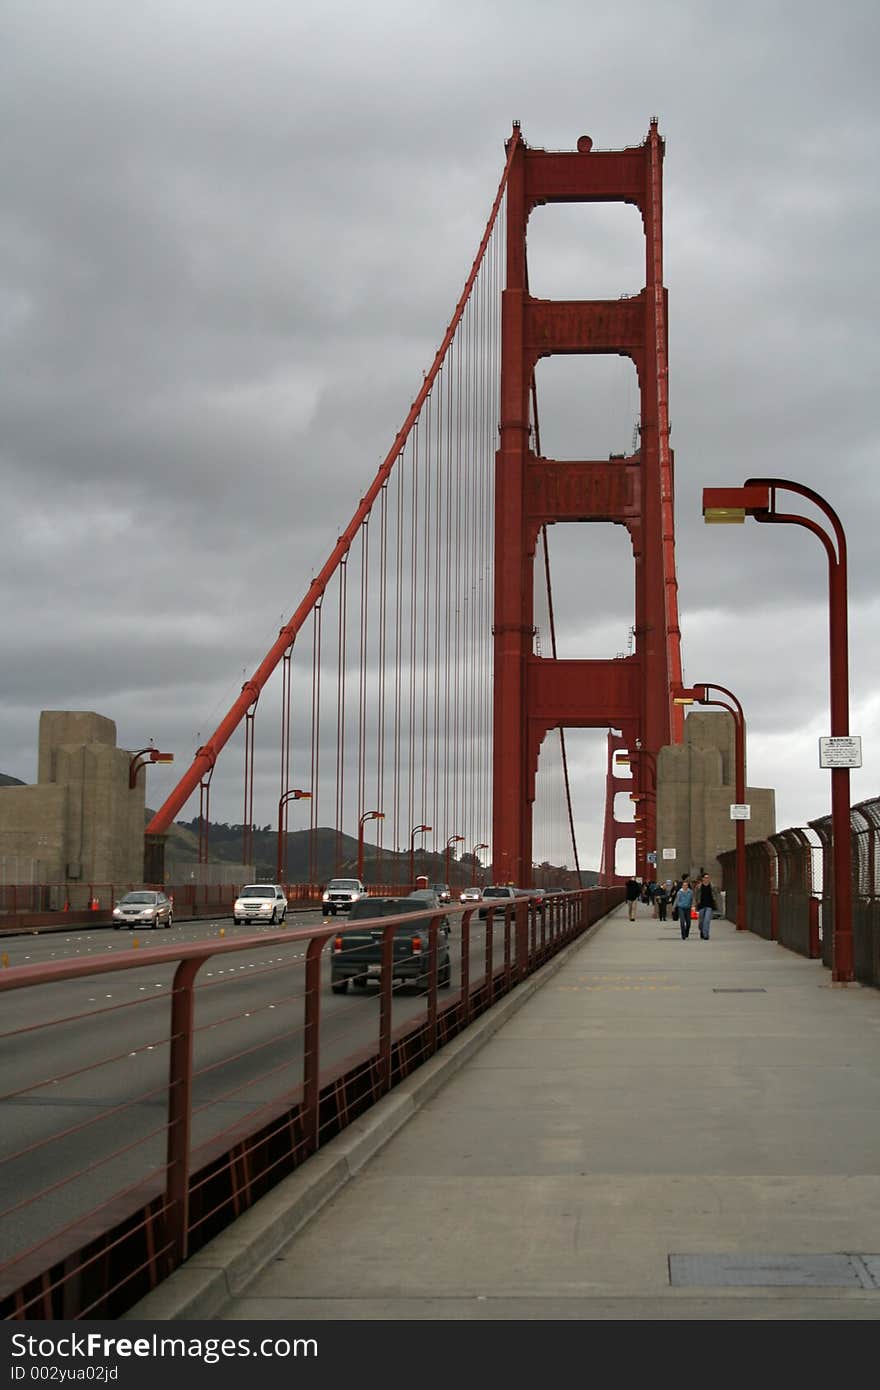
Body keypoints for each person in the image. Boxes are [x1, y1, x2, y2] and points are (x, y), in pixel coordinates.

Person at [696, 873, 718, 940]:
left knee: (707, 920)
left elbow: (715, 894)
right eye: (705, 877)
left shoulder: (712, 886)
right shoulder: (699, 886)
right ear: (702, 878)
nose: (706, 879)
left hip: (709, 905)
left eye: (708, 877)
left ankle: (706, 935)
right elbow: (696, 896)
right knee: (701, 921)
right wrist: (695, 903)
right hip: (701, 905)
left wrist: (715, 900)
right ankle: (702, 931)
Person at [675, 874, 694, 939]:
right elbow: (677, 899)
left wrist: (693, 905)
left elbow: (692, 899)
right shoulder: (679, 892)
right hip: (681, 907)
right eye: (684, 885)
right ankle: (683, 934)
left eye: (686, 885)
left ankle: (686, 932)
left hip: (688, 907)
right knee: (682, 921)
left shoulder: (690, 891)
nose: (685, 886)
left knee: (688, 922)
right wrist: (674, 907)